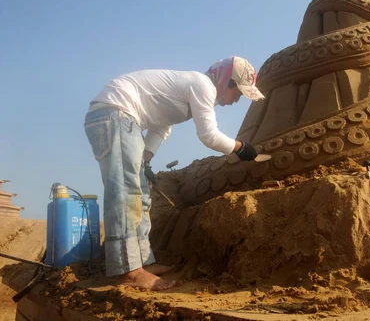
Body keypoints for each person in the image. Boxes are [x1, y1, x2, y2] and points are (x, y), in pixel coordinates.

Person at [83, 56, 264, 291]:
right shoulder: (203, 85)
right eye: (238, 93)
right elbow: (209, 135)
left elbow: (161, 125)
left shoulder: (191, 89)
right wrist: (240, 148)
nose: (237, 100)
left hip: (125, 118)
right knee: (126, 190)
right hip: (115, 112)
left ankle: (143, 263)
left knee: (141, 192)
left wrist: (146, 159)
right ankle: (128, 270)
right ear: (227, 82)